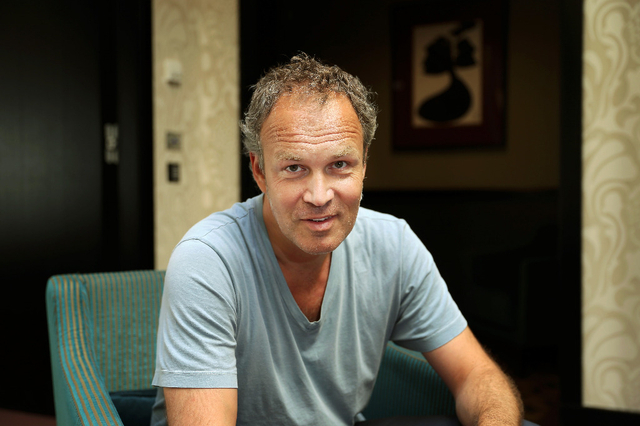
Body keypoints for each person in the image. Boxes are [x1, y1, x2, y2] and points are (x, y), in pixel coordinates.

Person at [151, 53, 532, 426]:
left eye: (339, 165)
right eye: (294, 167)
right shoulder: (207, 260)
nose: (319, 196)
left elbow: (476, 375)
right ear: (260, 171)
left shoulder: (393, 245)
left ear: (364, 164)